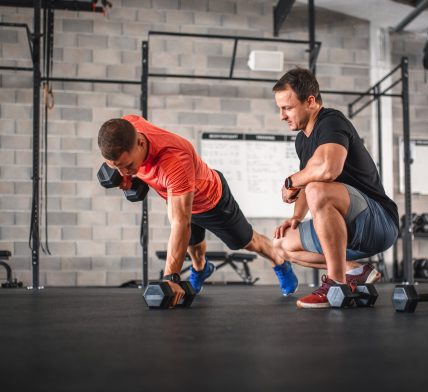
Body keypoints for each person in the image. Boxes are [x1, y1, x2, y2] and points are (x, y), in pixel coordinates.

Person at [97, 115, 298, 306]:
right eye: (117, 167)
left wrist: (171, 278)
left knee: (246, 242)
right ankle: (201, 269)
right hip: (177, 196)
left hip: (212, 200)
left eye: (128, 165)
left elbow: (180, 224)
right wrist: (127, 175)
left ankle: (279, 260)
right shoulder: (127, 126)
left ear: (140, 143)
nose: (124, 172)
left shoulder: (175, 160)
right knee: (193, 244)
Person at [272, 68, 399, 309]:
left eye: (287, 108)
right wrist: (296, 217)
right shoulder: (302, 140)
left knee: (318, 189)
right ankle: (355, 271)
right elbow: (308, 179)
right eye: (280, 109)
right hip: (349, 229)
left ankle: (336, 284)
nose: (282, 116)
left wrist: (291, 181)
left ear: (310, 101)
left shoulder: (331, 121)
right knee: (281, 244)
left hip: (378, 222)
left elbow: (328, 169)